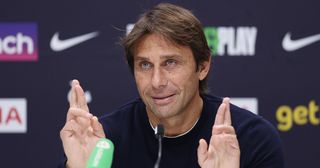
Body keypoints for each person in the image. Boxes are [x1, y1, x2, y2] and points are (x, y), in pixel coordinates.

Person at [59, 3, 284, 168]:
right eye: (145, 65)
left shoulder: (251, 139)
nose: (157, 82)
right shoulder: (103, 141)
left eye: (171, 63)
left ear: (203, 66)